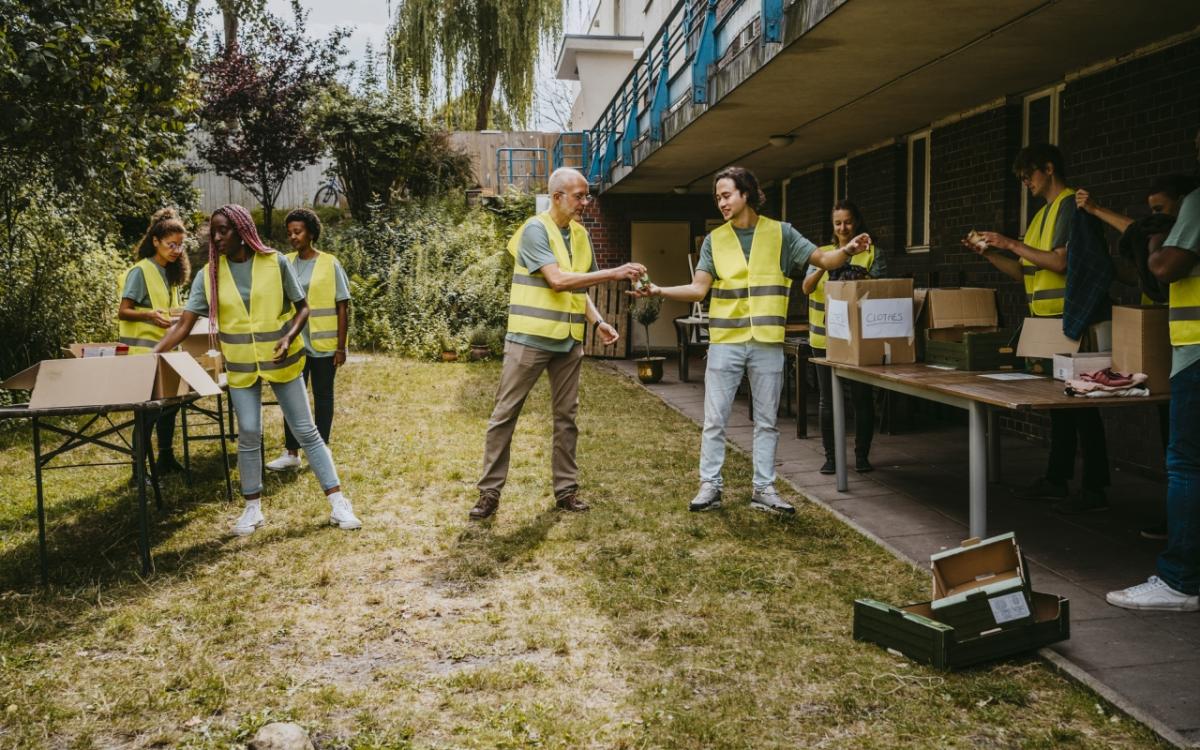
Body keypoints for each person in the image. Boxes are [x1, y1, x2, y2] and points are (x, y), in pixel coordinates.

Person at [631, 166, 870, 514]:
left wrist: (847, 249)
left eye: (726, 195)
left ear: (746, 193)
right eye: (717, 198)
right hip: (726, 341)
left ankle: (764, 489)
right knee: (715, 419)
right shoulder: (715, 240)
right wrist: (658, 290)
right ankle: (709, 486)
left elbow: (825, 259)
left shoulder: (782, 234)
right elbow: (699, 289)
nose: (721, 203)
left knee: (767, 422)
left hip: (766, 342)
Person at [154, 204, 362, 535]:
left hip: (282, 361)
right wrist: (152, 353)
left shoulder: (274, 262)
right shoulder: (208, 275)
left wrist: (288, 336)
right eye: (214, 231)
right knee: (249, 433)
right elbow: (183, 325)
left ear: (242, 230)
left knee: (306, 430)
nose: (217, 237)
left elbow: (302, 308)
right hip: (241, 367)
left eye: (224, 230)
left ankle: (339, 503)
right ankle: (253, 509)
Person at [469, 168, 646, 520]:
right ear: (557, 197)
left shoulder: (580, 235)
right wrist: (613, 272)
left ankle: (566, 491)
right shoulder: (535, 230)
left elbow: (579, 287)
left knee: (567, 418)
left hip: (568, 342)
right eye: (579, 196)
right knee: (505, 415)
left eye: (586, 195)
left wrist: (597, 322)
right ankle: (489, 493)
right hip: (529, 340)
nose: (585, 202)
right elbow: (558, 281)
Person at [968, 143, 1109, 514]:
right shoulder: (1041, 215)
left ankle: (1094, 486)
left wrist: (1009, 242)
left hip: (1072, 322)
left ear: (1048, 169)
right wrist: (993, 254)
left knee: (1081, 407)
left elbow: (1059, 263)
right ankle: (1058, 479)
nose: (1025, 183)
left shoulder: (1067, 206)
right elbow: (1025, 272)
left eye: (1027, 175)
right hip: (1048, 323)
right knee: (1059, 407)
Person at [1074, 174, 1199, 538]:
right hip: (1172, 346)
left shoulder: (1184, 224)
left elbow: (1154, 250)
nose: (1154, 218)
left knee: (1185, 459)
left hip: (1188, 350)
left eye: (1161, 209)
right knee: (1175, 444)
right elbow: (1145, 271)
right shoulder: (1171, 239)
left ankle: (1182, 544)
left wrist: (1097, 210)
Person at [1106, 161, 1200, 612]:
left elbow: (1164, 268)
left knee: (1186, 465)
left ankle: (1180, 581)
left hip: (1197, 354)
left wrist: (1160, 233)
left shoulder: (1197, 203)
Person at [802, 200, 887, 475]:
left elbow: (883, 292)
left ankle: (861, 456)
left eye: (848, 222)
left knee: (862, 398)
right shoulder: (821, 253)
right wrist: (828, 263)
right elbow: (806, 288)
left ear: (857, 222)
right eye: (838, 222)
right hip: (823, 340)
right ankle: (831, 458)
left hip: (859, 341)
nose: (843, 227)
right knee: (828, 400)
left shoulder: (872, 253)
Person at [265, 208, 351, 473]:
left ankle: (321, 450)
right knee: (293, 400)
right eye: (289, 232)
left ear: (311, 233)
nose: (293, 237)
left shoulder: (330, 263)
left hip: (324, 346)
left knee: (323, 397)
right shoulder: (285, 263)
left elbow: (342, 306)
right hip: (294, 345)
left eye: (298, 231)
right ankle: (291, 453)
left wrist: (341, 345)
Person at [118, 207, 190, 476]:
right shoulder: (141, 271)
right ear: (156, 242)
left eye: (180, 246)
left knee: (169, 409)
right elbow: (123, 310)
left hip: (167, 354)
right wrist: (149, 315)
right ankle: (138, 472)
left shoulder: (170, 274)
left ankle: (165, 459)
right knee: (147, 414)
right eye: (171, 244)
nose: (176, 250)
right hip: (143, 354)